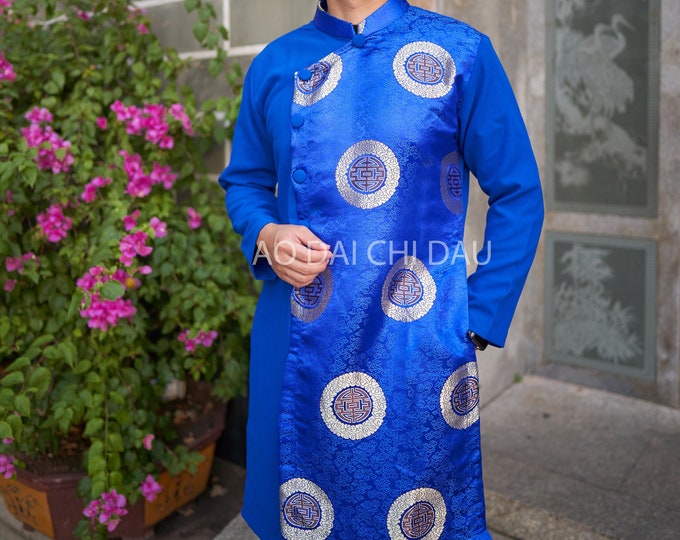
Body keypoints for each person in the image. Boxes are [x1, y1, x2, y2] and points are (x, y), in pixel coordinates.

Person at [218, 0, 544, 538]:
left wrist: (476, 316)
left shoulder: (459, 52)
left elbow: (518, 192)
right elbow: (247, 182)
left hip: (415, 348)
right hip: (294, 339)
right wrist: (266, 235)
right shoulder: (276, 62)